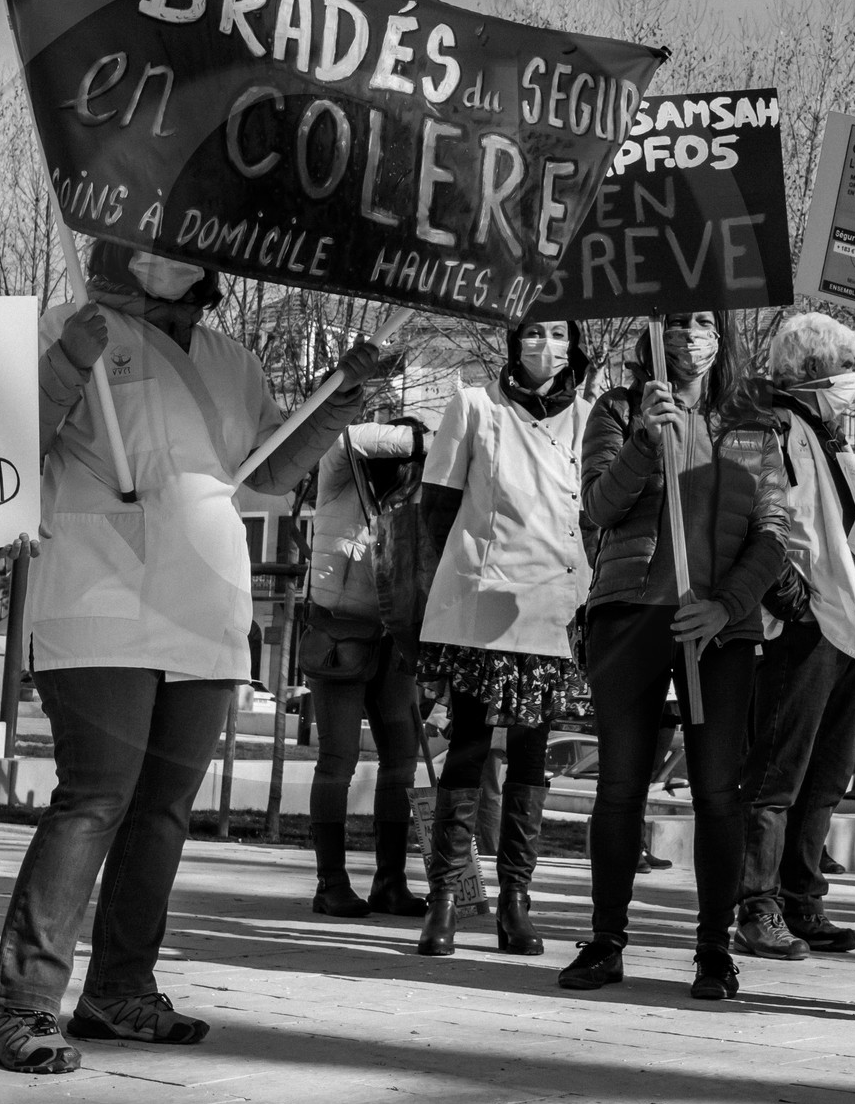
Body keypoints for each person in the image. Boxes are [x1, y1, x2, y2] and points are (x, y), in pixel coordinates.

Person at [0, 240, 377, 1075]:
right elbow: (8, 445)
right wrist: (66, 362)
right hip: (99, 589)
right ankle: (19, 1004)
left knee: (164, 807)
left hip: (205, 596)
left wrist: (338, 401)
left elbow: (265, 479)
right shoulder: (67, 324)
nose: (173, 256)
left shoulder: (231, 356)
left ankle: (121, 987)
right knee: (96, 797)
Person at [563, 312, 787, 1000]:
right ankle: (606, 941)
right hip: (630, 615)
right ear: (653, 337)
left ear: (721, 337)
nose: (690, 338)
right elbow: (598, 509)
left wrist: (726, 605)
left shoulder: (752, 425)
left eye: (702, 325)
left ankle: (715, 950)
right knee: (621, 784)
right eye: (676, 325)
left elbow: (775, 532)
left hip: (718, 629)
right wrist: (641, 443)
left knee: (719, 788)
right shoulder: (619, 407)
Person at [414, 320, 590, 960]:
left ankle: (516, 898)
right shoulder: (474, 403)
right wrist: (441, 595)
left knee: (532, 753)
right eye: (535, 333)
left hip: (552, 603)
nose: (548, 346)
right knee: (465, 745)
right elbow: (435, 510)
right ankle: (445, 901)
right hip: (480, 601)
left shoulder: (591, 415)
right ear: (515, 341)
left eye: (560, 334)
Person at [735, 313, 855, 959]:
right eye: (844, 368)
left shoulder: (831, 434)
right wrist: (792, 603)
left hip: (847, 622)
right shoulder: (766, 423)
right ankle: (756, 904)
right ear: (813, 373)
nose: (852, 381)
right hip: (805, 623)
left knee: (826, 774)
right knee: (777, 774)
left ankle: (803, 898)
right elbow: (749, 515)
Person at [303, 414, 429, 917]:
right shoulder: (340, 478)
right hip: (338, 637)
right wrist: (435, 437)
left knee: (401, 762)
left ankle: (389, 882)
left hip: (394, 644)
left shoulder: (414, 498)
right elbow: (349, 436)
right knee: (338, 761)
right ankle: (330, 883)